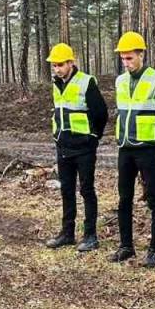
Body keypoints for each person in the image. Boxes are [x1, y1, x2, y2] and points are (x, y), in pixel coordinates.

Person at [110, 31, 155, 267]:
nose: (126, 63)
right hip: (125, 149)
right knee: (124, 199)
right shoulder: (120, 81)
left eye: (130, 58)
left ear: (141, 54)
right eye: (123, 59)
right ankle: (126, 246)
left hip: (148, 149)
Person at [43, 43, 108, 252]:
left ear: (71, 63)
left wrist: (92, 138)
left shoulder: (86, 82)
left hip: (84, 148)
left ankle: (90, 236)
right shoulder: (56, 83)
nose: (57, 69)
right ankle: (67, 233)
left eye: (60, 65)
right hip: (63, 146)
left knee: (87, 191)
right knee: (67, 190)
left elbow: (101, 113)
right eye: (54, 65)